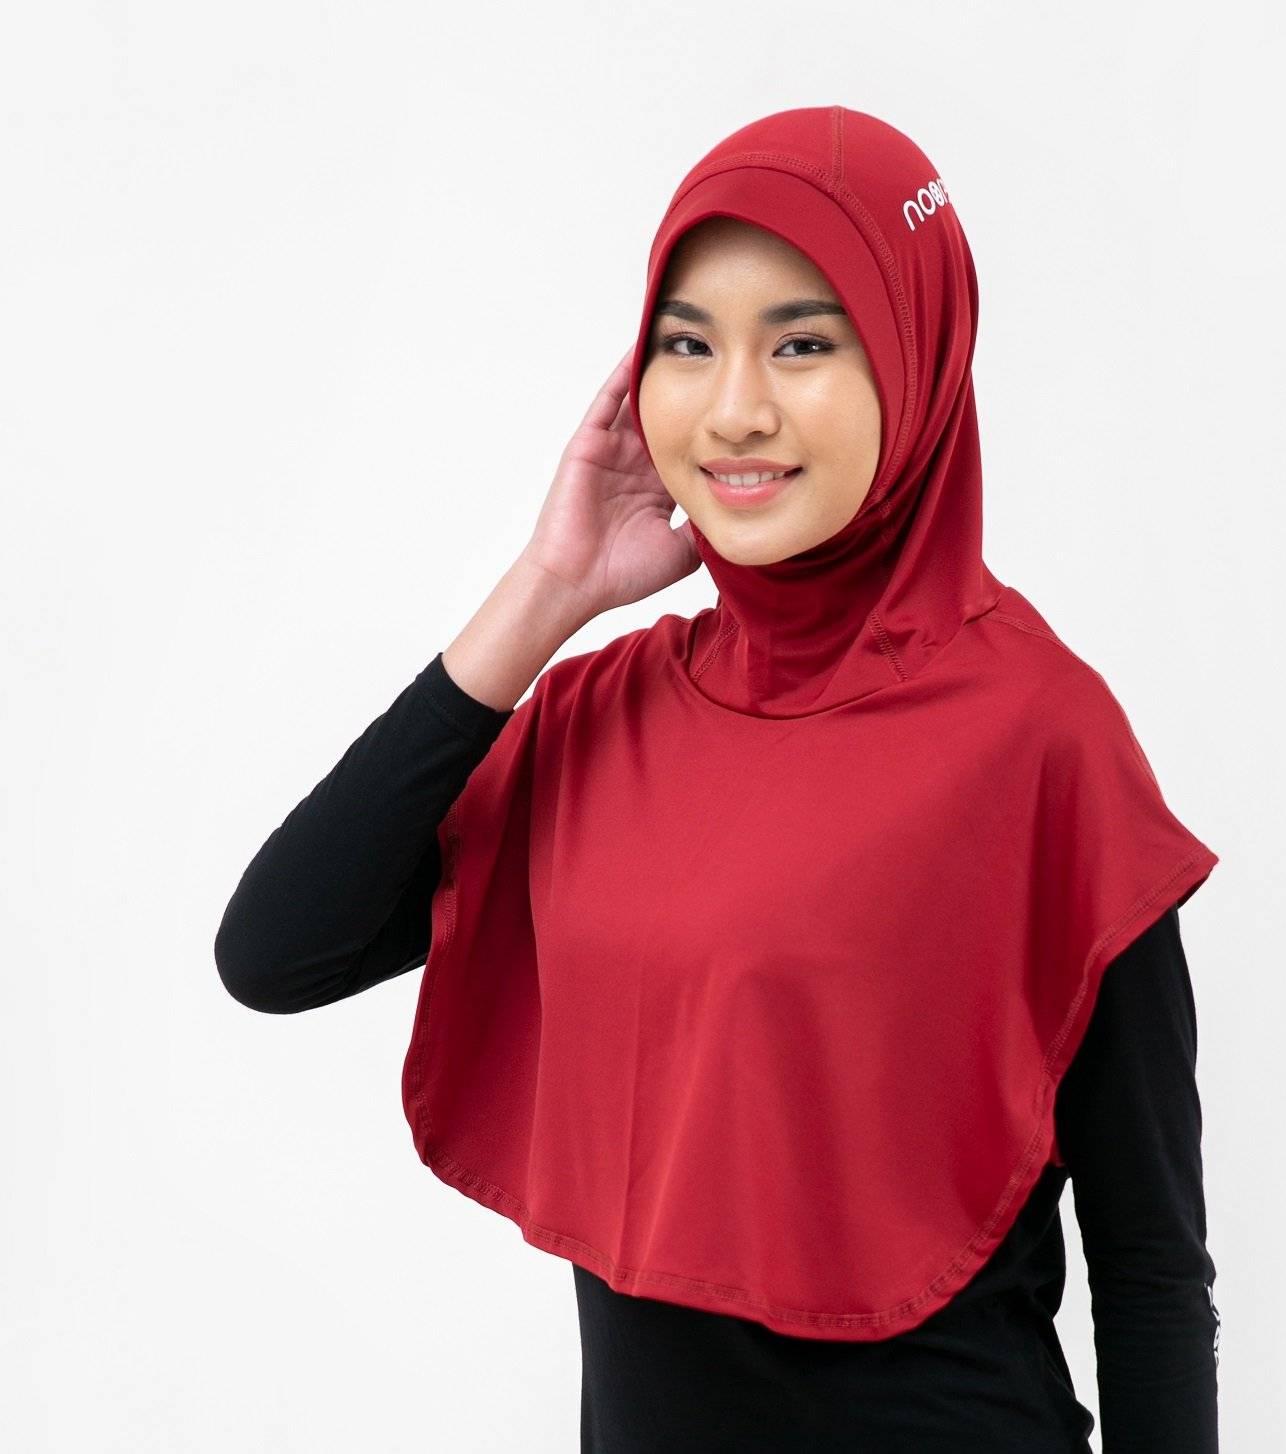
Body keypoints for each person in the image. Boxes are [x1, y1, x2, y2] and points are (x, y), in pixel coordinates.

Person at [216, 106, 1220, 1451]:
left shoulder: (1040, 738)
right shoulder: (605, 714)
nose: (736, 407)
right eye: (686, 345)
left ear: (916, 359)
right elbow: (279, 951)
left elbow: (1150, 1269)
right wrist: (545, 592)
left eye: (803, 343)